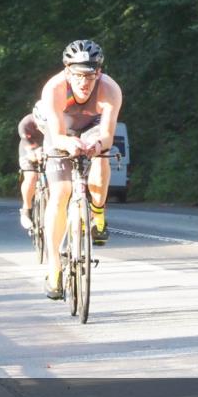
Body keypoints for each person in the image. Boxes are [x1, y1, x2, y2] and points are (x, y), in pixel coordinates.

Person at [39, 40, 123, 299]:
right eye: (78, 75)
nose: (84, 82)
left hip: (93, 127)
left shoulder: (110, 89)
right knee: (61, 191)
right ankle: (54, 266)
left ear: (99, 72)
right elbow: (56, 133)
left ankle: (97, 212)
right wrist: (67, 143)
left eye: (90, 75)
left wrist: (97, 144)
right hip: (62, 131)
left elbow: (108, 134)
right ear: (67, 71)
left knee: (101, 157)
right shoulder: (53, 88)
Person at [17, 112, 45, 231]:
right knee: (32, 176)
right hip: (28, 147)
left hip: (48, 146)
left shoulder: (58, 117)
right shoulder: (25, 124)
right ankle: (27, 208)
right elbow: (29, 147)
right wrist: (34, 152)